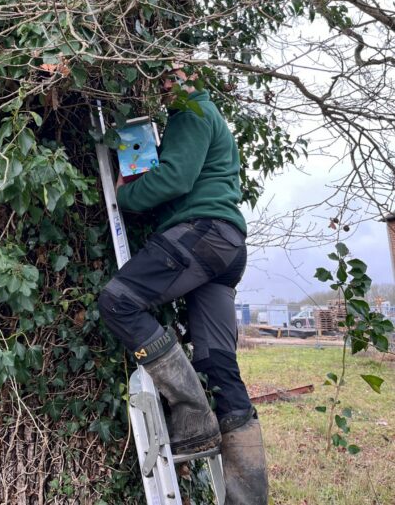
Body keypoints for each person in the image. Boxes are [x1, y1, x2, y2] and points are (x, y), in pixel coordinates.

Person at [98, 69, 268, 505]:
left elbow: (176, 179)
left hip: (202, 235)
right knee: (217, 365)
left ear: (198, 75)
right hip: (227, 247)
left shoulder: (192, 113)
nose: (167, 84)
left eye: (176, 75)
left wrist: (127, 195)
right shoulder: (209, 114)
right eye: (162, 79)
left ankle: (193, 417)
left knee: (118, 302)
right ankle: (248, 499)